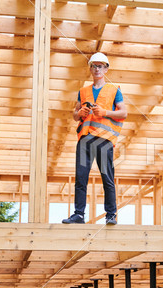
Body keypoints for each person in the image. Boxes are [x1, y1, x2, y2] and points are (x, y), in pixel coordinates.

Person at [62, 53, 127, 224]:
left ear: (106, 69)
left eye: (100, 66)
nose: (97, 69)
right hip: (85, 138)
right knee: (81, 177)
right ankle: (79, 215)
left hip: (104, 139)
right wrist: (80, 113)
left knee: (107, 176)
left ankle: (111, 215)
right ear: (90, 68)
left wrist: (105, 112)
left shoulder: (114, 90)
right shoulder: (83, 92)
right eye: (94, 66)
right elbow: (75, 115)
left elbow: (123, 112)